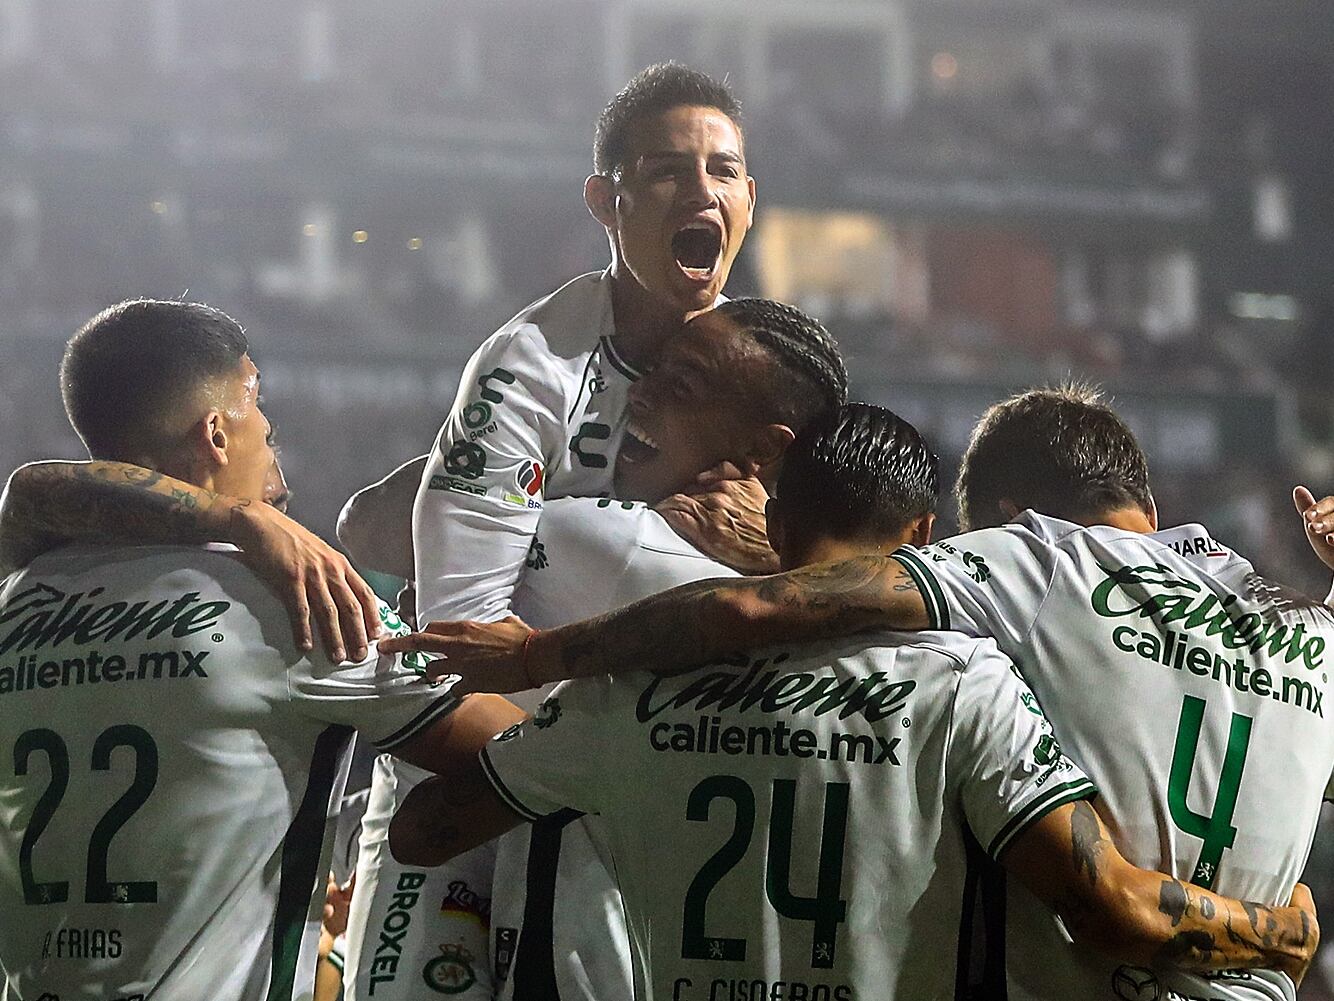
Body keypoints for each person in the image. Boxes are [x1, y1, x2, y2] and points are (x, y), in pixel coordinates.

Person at [419, 385, 1334, 1001]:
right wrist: (1282, 937)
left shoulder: (1031, 573)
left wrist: (541, 659)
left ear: (1000, 524)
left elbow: (755, 605)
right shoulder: (1309, 635)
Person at [0, 299, 523, 999]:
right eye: (267, 433)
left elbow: (29, 492)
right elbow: (525, 754)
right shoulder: (284, 600)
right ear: (217, 432)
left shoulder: (15, 597)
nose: (280, 472)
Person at [340, 298, 847, 1001]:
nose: (638, 391)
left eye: (681, 385)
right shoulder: (835, 607)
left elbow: (366, 527)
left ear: (763, 446)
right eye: (649, 371)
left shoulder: (620, 540)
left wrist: (533, 429)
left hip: (466, 877)